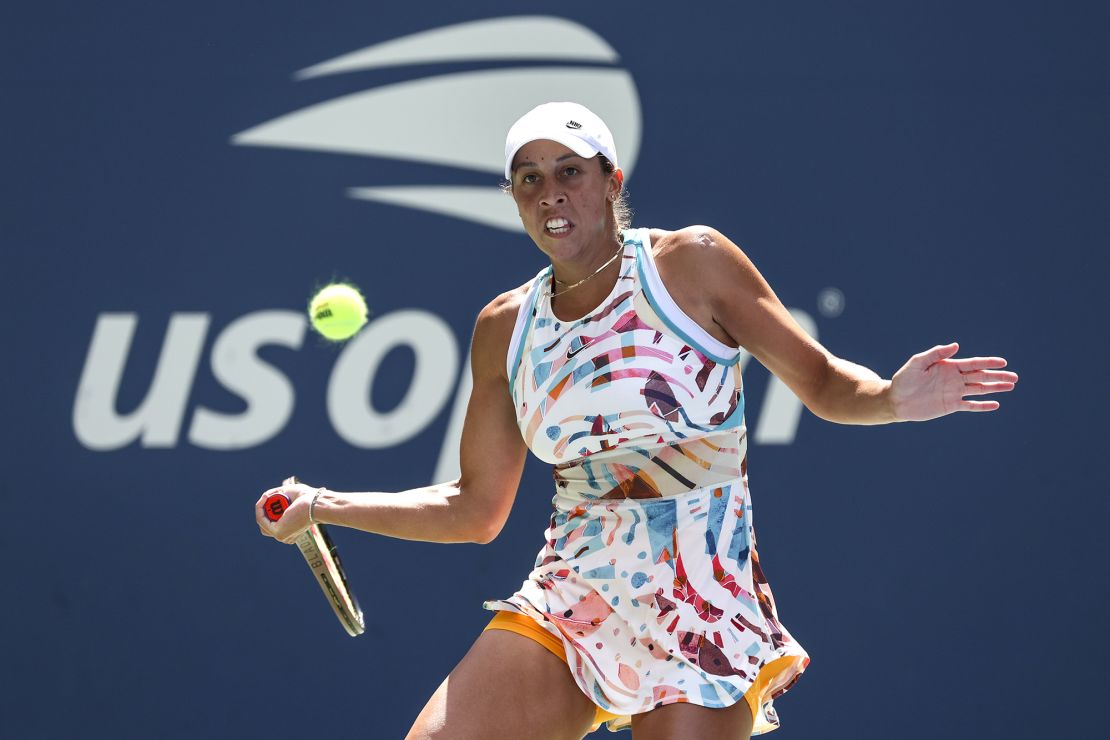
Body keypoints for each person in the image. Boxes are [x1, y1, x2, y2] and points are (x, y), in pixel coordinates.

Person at [256, 102, 1017, 740]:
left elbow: (819, 381)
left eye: (569, 173)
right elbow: (474, 509)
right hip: (570, 594)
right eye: (530, 180)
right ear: (515, 199)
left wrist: (888, 397)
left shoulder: (692, 265)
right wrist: (325, 505)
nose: (550, 194)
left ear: (611, 182)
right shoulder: (504, 328)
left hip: (702, 601)